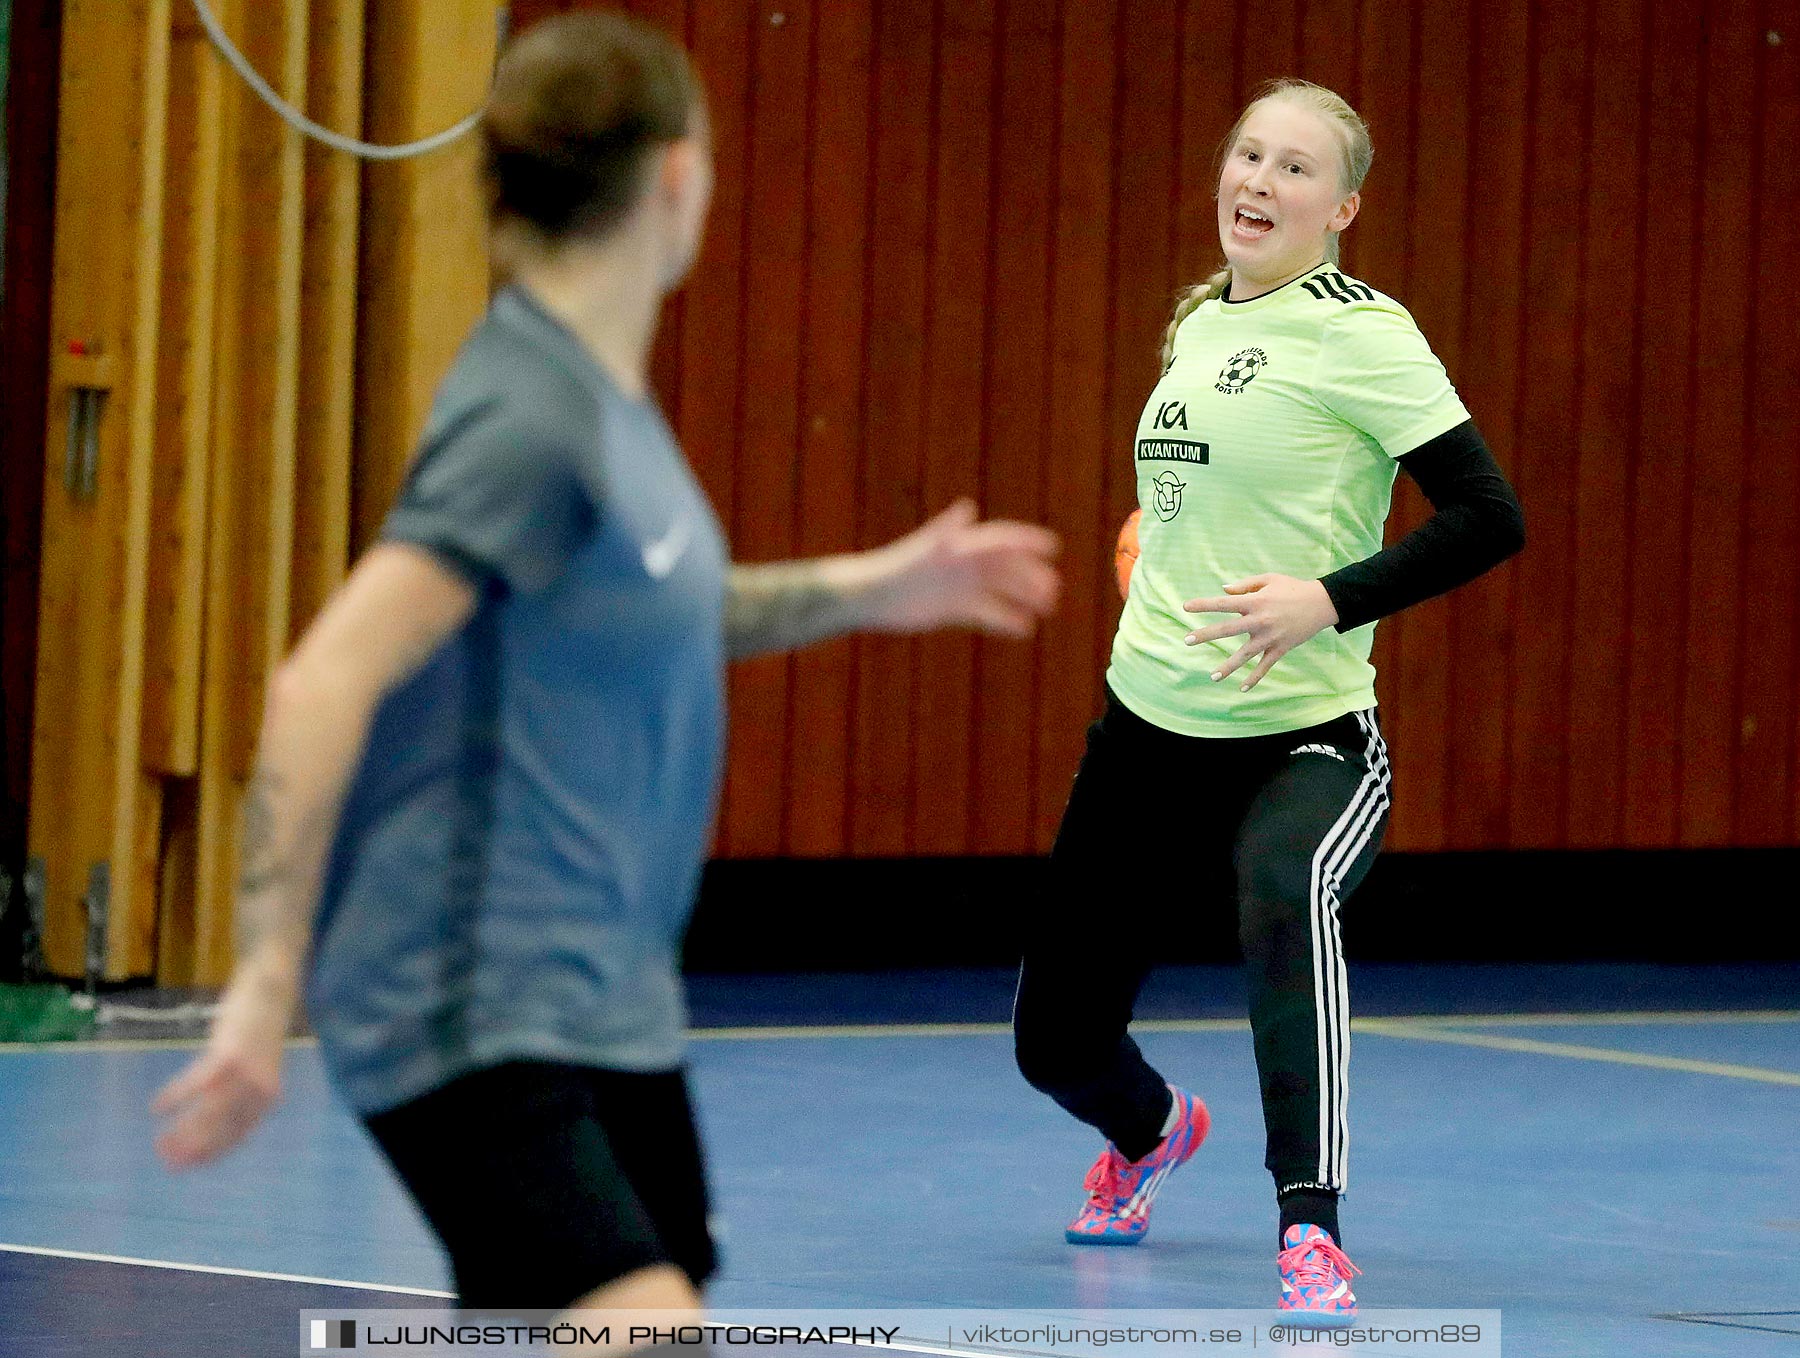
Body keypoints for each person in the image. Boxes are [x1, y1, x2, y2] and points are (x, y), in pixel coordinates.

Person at [149, 11, 1059, 1352]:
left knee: (640, 1290)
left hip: (603, 1000)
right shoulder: (528, 416)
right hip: (466, 1001)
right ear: (678, 178)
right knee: (642, 1320)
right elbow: (322, 680)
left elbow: (657, 608)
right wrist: (263, 980)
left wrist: (879, 588)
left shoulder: (601, 406)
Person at [1012, 78, 1524, 1326]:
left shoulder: (1366, 332)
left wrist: (1329, 598)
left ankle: (1311, 1227)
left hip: (1306, 734)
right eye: (1249, 154)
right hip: (1147, 722)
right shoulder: (1200, 325)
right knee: (1052, 1041)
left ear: (1342, 206)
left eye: (1296, 169)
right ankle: (1149, 1130)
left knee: (1283, 894)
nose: (1261, 181)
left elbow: (1487, 517)